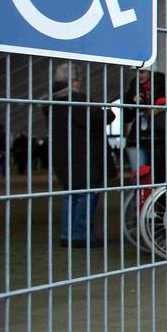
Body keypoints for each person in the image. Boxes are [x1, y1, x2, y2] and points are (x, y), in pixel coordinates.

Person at [46, 62, 114, 248]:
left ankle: (67, 234)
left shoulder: (51, 103)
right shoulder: (78, 102)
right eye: (79, 80)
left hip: (65, 157)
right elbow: (104, 118)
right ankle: (81, 235)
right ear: (74, 81)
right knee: (87, 195)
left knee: (71, 195)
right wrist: (104, 109)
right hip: (86, 157)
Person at [122, 67, 167, 172]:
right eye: (136, 72)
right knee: (139, 176)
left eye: (142, 72)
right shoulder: (133, 88)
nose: (139, 75)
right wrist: (132, 104)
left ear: (150, 71)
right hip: (138, 138)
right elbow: (126, 118)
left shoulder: (162, 86)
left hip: (159, 138)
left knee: (158, 175)